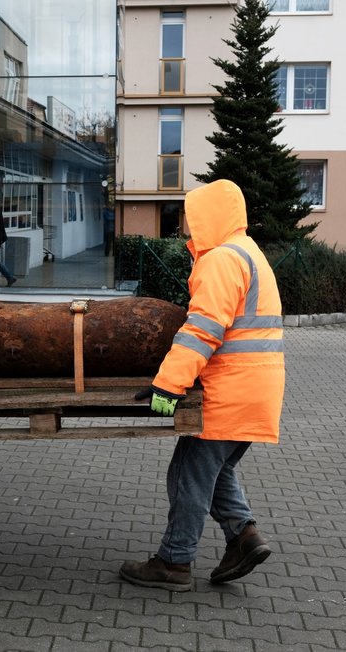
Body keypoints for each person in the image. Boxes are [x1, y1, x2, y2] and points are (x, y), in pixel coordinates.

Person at [122, 179, 285, 591]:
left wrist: (168, 385)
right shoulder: (250, 254)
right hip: (255, 390)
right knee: (215, 471)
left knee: (187, 475)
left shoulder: (222, 259)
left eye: (191, 218)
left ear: (209, 215)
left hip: (230, 391)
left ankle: (174, 563)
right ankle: (244, 538)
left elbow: (202, 330)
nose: (186, 228)